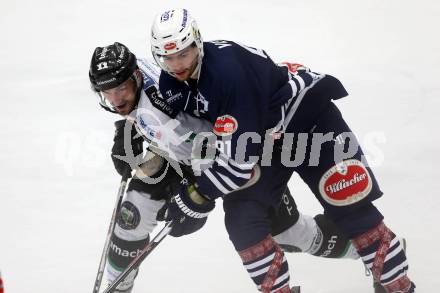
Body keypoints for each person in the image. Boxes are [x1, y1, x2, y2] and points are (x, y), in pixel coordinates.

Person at [149, 8, 416, 293]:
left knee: (351, 207)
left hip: (310, 123)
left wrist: (196, 196)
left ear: (197, 43)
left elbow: (238, 164)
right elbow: (190, 133)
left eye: (183, 54)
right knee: (244, 223)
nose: (176, 64)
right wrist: (145, 141)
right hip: (265, 139)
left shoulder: (228, 74)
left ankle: (398, 286)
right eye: (168, 57)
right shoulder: (171, 84)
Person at [89, 42, 365, 293]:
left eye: (121, 90)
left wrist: (196, 197)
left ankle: (367, 252)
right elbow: (143, 107)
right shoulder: (141, 68)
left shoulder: (162, 112)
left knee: (291, 234)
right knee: (132, 214)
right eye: (107, 93)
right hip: (181, 153)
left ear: (135, 77)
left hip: (231, 155)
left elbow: (224, 149)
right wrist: (127, 130)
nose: (115, 100)